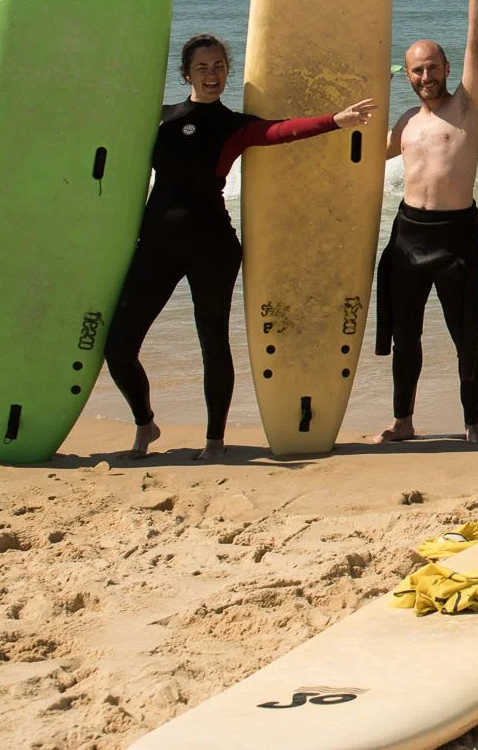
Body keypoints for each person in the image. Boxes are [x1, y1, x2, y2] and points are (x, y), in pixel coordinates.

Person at [105, 35, 373, 459]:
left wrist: (334, 120)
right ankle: (145, 424)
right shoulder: (160, 119)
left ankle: (215, 440)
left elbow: (280, 131)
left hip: (212, 246)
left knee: (212, 340)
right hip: (156, 245)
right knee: (118, 344)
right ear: (185, 74)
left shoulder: (232, 125)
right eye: (202, 69)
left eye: (218, 67)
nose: (212, 76)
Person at [376, 0, 478, 444]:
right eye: (417, 70)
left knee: (466, 337)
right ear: (409, 76)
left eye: (433, 67)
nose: (426, 75)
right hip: (407, 234)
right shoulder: (404, 122)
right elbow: (360, 158)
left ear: (446, 69)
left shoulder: (465, 107)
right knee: (407, 337)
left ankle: (472, 424)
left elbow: (477, 37)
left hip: (457, 235)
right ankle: (403, 419)